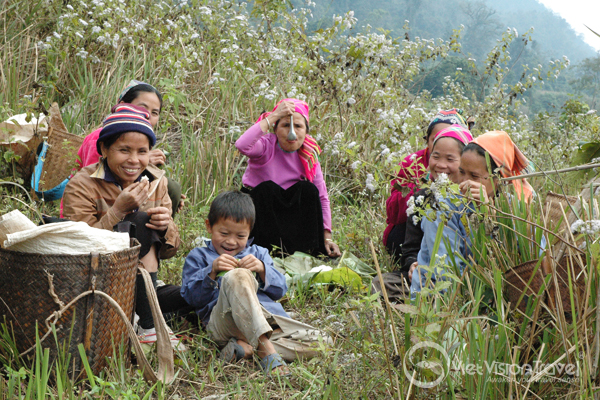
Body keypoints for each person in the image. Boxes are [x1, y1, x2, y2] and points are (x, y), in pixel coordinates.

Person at [63, 104, 189, 348]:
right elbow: (77, 247)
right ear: (104, 149)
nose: (134, 160)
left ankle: (143, 316)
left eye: (142, 151)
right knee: (139, 220)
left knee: (193, 296)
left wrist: (165, 228)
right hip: (95, 284)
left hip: (138, 280)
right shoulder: (82, 184)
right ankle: (150, 326)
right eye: (124, 150)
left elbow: (170, 250)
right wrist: (118, 211)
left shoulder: (156, 181)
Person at [180, 191, 291, 376]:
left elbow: (280, 290)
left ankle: (246, 348)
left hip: (266, 319)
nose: (231, 242)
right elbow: (191, 298)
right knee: (237, 276)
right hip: (225, 322)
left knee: (322, 341)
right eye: (224, 233)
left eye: (240, 236)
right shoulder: (198, 257)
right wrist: (212, 271)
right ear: (209, 226)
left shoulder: (259, 254)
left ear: (249, 232)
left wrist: (263, 269)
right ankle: (266, 349)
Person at [410, 130, 534, 294]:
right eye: (461, 172)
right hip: (444, 301)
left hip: (499, 299)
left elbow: (533, 258)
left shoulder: (513, 208)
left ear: (499, 180)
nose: (464, 181)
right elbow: (446, 273)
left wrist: (487, 211)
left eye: (474, 175)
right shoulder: (441, 206)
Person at [372, 125, 473, 301]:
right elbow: (411, 247)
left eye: (450, 159)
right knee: (381, 284)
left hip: (464, 279)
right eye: (435, 156)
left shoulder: (472, 199)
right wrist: (412, 265)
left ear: (464, 163)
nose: (441, 165)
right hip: (426, 276)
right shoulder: (422, 198)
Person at [235, 98, 341, 257]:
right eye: (285, 125)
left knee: (308, 190)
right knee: (267, 189)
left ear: (306, 130)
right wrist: (273, 116)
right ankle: (259, 253)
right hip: (259, 211)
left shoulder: (308, 154)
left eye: (298, 126)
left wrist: (327, 238)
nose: (292, 132)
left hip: (286, 212)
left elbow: (322, 196)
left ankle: (307, 253)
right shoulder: (265, 145)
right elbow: (242, 145)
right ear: (275, 129)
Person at [76, 80, 183, 216]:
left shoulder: (143, 137)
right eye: (142, 108)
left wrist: (164, 197)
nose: (148, 116)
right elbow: (97, 179)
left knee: (172, 188)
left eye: (155, 112)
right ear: (122, 105)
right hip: (99, 210)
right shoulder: (99, 138)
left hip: (125, 207)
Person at [383, 109, 471, 262]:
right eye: (437, 137)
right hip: (410, 232)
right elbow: (393, 212)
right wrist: (421, 186)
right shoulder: (411, 164)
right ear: (428, 140)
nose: (446, 139)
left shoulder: (470, 182)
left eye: (450, 158)